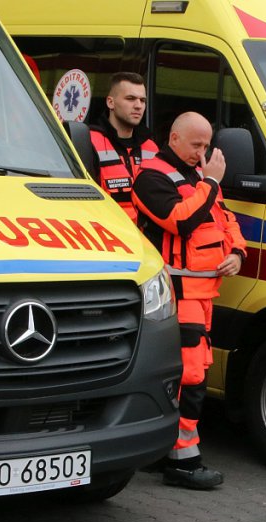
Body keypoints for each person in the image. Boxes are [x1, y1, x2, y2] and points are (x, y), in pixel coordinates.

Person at [131, 112, 247, 489]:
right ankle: (183, 461)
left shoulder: (199, 176)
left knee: (194, 372)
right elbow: (180, 221)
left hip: (203, 292)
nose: (202, 152)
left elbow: (226, 220)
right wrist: (210, 181)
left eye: (206, 145)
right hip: (178, 293)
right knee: (191, 376)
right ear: (174, 139)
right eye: (196, 144)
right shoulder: (151, 177)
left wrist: (238, 253)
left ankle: (164, 451)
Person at [89, 72, 159, 223]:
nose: (138, 106)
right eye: (130, 99)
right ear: (110, 103)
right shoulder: (90, 141)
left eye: (142, 100)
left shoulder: (151, 147)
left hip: (146, 235)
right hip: (108, 231)